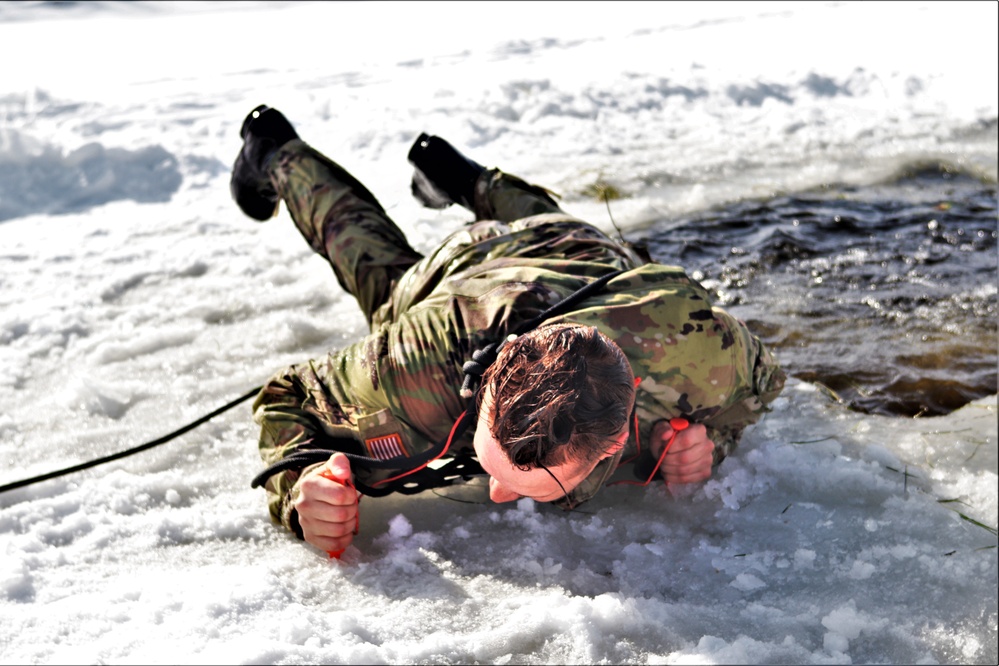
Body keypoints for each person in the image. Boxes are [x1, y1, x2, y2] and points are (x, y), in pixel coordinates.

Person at [231, 105, 786, 558]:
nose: (496, 493)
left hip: (576, 246)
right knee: (379, 270)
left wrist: (710, 443)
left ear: (615, 442)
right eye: (499, 468)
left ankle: (467, 179)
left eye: (523, 482)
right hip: (470, 269)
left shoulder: (694, 351)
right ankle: (275, 148)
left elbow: (763, 383)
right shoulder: (419, 366)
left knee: (556, 226)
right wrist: (298, 490)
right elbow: (288, 396)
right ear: (491, 377)